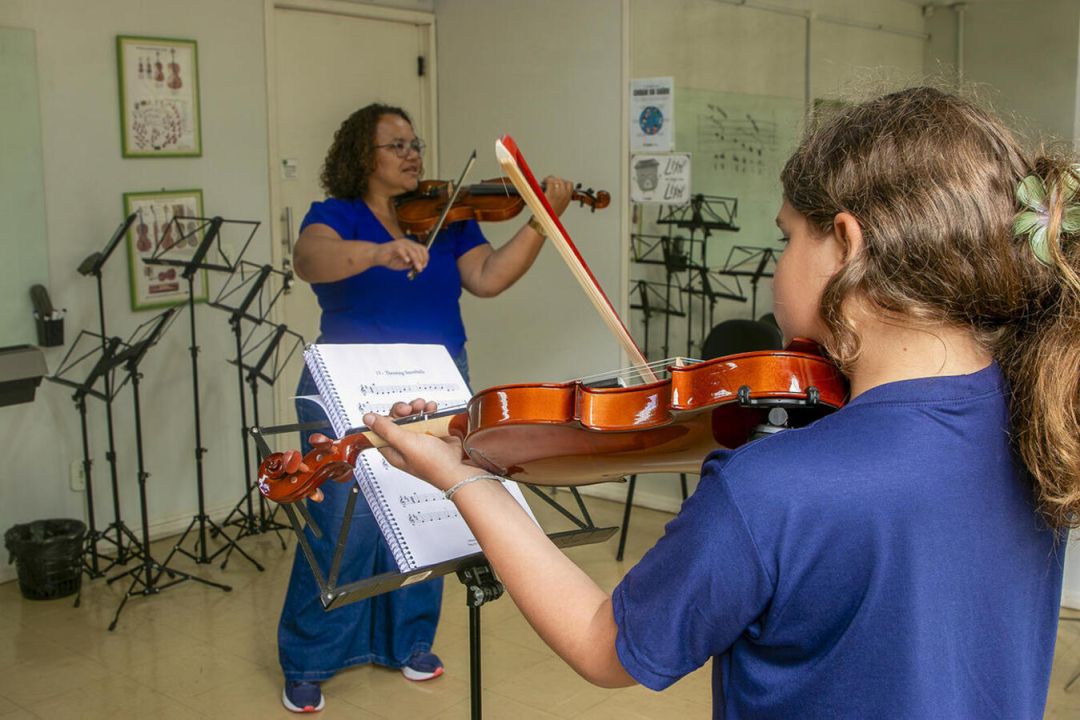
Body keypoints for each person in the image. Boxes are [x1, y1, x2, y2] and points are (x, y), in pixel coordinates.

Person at [360, 87, 1080, 717]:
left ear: (846, 246)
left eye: (786, 237)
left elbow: (603, 645)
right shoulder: (1040, 418)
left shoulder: (772, 489)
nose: (778, 262)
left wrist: (466, 479)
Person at [278, 102, 573, 713]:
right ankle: (309, 656)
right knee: (343, 524)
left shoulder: (447, 218)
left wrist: (542, 221)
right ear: (364, 157)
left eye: (415, 143)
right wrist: (377, 253)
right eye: (397, 145)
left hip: (436, 379)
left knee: (427, 513)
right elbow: (310, 261)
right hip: (348, 383)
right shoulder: (334, 216)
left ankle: (408, 641)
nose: (413, 153)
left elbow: (488, 278)